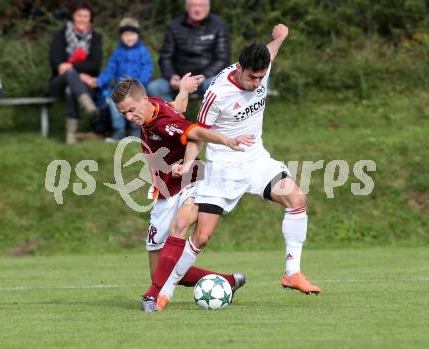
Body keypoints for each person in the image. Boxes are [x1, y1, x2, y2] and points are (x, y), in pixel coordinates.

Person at [155, 24, 322, 311]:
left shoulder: (261, 68)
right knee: (202, 237)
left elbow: (269, 53)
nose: (257, 82)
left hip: (256, 160)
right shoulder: (217, 94)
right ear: (240, 68)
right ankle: (165, 291)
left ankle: (292, 273)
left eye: (261, 76)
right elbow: (198, 132)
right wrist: (188, 164)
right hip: (223, 168)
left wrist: (279, 38)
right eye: (252, 77)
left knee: (297, 199)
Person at [111, 74, 254, 312]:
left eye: (131, 110)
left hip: (189, 180)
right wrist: (185, 90)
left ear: (143, 99)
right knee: (160, 269)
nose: (128, 117)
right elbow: (177, 109)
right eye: (123, 113)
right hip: (165, 188)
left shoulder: (161, 120)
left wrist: (227, 141)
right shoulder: (154, 106)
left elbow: (195, 132)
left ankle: (152, 296)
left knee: (180, 230)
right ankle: (227, 281)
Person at [81, 17, 153, 142]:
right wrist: (98, 81)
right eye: (126, 35)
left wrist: (139, 85)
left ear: (137, 35)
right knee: (114, 103)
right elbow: (110, 70)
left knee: (137, 106)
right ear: (121, 36)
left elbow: (147, 70)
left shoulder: (143, 52)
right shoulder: (118, 53)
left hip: (137, 88)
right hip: (121, 88)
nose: (129, 38)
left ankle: (137, 131)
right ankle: (118, 131)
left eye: (132, 34)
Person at [147, 0, 230, 101]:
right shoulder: (174, 26)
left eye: (201, 6)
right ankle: (174, 115)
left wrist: (204, 76)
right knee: (154, 88)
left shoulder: (219, 26)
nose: (197, 9)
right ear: (187, 8)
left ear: (208, 7)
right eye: (193, 6)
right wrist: (171, 76)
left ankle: (206, 116)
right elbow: (165, 57)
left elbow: (222, 59)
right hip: (178, 79)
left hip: (206, 78)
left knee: (216, 87)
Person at [49, 0, 102, 144]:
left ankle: (70, 136)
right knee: (70, 75)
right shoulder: (61, 35)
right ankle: (88, 106)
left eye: (86, 16)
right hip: (58, 83)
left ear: (90, 18)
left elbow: (95, 64)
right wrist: (77, 71)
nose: (82, 19)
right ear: (73, 16)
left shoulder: (95, 37)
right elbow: (55, 61)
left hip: (85, 84)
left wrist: (71, 66)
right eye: (79, 15)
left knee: (72, 87)